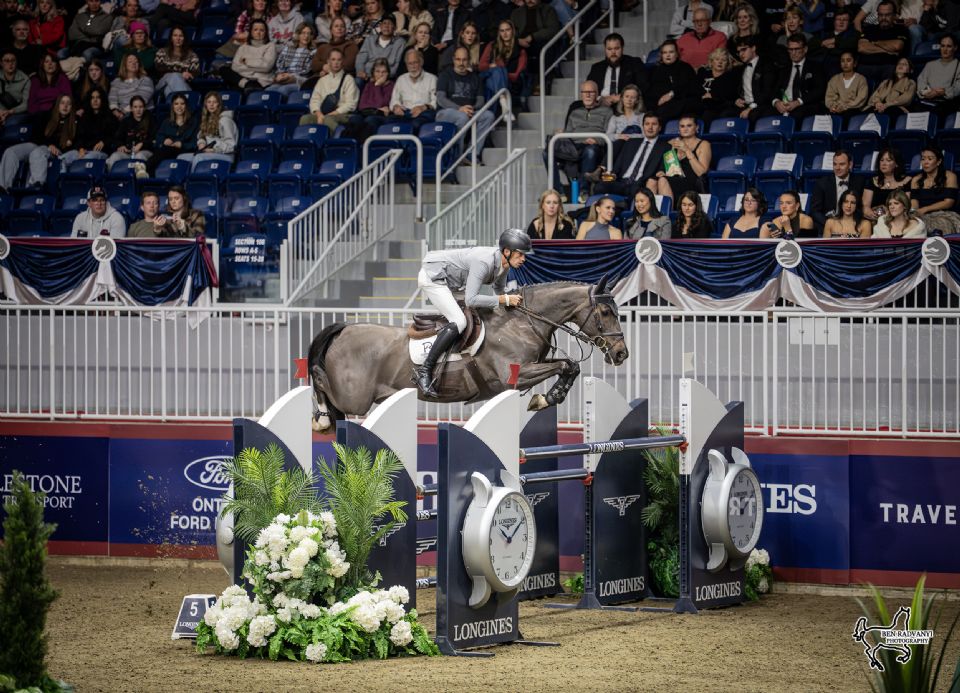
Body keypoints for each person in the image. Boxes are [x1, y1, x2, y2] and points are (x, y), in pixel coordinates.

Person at [414, 228, 531, 397]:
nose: (523, 259)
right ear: (507, 251)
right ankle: (425, 370)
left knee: (477, 314)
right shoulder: (484, 262)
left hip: (452, 283)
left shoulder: (504, 265)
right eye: (520, 254)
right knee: (459, 321)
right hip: (434, 277)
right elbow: (472, 299)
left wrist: (514, 304)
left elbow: (499, 290)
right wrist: (505, 299)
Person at [547, 80, 612, 199]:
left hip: (593, 145)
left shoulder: (607, 111)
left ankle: (583, 191)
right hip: (573, 146)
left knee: (590, 151)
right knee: (547, 152)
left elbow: (610, 133)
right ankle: (558, 191)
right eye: (584, 92)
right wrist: (562, 133)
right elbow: (569, 133)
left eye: (591, 92)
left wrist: (597, 140)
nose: (587, 95)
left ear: (597, 94)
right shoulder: (575, 112)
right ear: (581, 94)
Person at [0, 93, 75, 192]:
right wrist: (48, 144)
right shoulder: (45, 116)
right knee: (11, 151)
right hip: (39, 144)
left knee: (38, 152)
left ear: (71, 107)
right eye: (62, 103)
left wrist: (54, 146)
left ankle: (37, 185)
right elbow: (37, 136)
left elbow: (71, 145)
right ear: (57, 104)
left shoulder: (74, 122)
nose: (65, 106)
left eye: (68, 104)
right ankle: (3, 188)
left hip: (55, 151)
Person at [591, 112, 670, 199]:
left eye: (654, 124)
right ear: (643, 126)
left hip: (641, 185)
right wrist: (612, 175)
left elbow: (663, 169)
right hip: (622, 182)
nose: (650, 127)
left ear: (660, 127)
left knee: (634, 193)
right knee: (599, 187)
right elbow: (619, 164)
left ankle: (622, 204)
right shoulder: (631, 143)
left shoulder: (665, 147)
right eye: (647, 124)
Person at [436, 47, 494, 160]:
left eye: (464, 60)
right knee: (462, 117)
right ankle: (457, 156)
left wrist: (472, 108)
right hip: (446, 112)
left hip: (469, 110)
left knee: (488, 116)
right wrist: (459, 108)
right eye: (458, 59)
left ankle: (472, 153)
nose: (461, 63)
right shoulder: (445, 75)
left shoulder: (475, 78)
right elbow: (441, 99)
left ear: (469, 60)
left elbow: (481, 100)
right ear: (453, 59)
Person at [768, 34, 826, 124]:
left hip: (804, 105)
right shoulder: (783, 69)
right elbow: (773, 90)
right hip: (784, 105)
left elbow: (819, 90)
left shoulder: (815, 67)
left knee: (796, 115)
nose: (793, 53)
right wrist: (776, 102)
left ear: (805, 49)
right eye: (790, 49)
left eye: (797, 49)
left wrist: (798, 102)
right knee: (765, 115)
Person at [653, 114, 711, 200]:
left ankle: (666, 209)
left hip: (693, 183)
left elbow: (701, 172)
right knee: (652, 180)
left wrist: (687, 150)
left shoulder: (704, 144)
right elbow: (665, 166)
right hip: (673, 180)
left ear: (696, 127)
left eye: (689, 125)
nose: (685, 129)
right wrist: (662, 171)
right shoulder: (672, 143)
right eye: (682, 126)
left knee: (663, 180)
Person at [301, 47, 359, 130]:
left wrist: (333, 113)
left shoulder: (349, 79)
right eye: (333, 59)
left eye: (339, 60)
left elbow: (351, 104)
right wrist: (319, 114)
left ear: (343, 61)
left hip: (342, 114)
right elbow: (314, 100)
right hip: (322, 113)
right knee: (305, 118)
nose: (336, 63)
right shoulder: (322, 80)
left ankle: (337, 137)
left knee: (328, 119)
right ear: (328, 61)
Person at [586, 33, 647, 109]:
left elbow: (643, 87)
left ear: (622, 48)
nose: (613, 52)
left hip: (625, 105)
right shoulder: (596, 68)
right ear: (605, 49)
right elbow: (588, 89)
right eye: (609, 49)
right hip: (600, 105)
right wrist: (600, 98)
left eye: (616, 48)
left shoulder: (634, 63)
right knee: (575, 105)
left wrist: (622, 97)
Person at [810, 150, 864, 231]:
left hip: (853, 225)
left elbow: (861, 208)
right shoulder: (822, 183)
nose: (837, 168)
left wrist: (851, 224)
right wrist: (831, 224)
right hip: (828, 225)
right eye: (835, 164)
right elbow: (815, 211)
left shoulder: (859, 182)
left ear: (850, 165)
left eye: (842, 164)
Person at [478, 20, 527, 111]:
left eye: (507, 30)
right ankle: (504, 101)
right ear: (499, 33)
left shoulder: (521, 51)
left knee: (494, 77)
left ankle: (497, 107)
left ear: (512, 31)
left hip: (507, 82)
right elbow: (481, 66)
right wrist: (490, 66)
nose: (505, 33)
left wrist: (501, 73)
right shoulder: (492, 45)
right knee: (496, 71)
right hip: (489, 74)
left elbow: (516, 76)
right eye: (502, 31)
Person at [218, 19, 277, 93]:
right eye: (255, 30)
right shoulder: (243, 47)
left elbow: (266, 67)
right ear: (251, 32)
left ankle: (248, 85)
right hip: (244, 79)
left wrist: (247, 61)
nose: (258, 32)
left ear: (266, 32)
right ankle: (247, 84)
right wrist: (258, 65)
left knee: (236, 87)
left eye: (262, 30)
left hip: (260, 80)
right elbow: (235, 67)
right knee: (224, 69)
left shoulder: (271, 46)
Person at [911, 145, 960, 233]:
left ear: (939, 161)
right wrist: (915, 212)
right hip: (922, 215)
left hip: (944, 215)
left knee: (941, 225)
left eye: (930, 159)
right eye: (923, 159)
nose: (925, 162)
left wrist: (926, 209)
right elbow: (914, 204)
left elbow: (948, 202)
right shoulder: (916, 179)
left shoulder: (950, 176)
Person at [180, 91, 237, 168]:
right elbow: (202, 136)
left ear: (219, 104)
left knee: (199, 158)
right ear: (206, 105)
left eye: (214, 102)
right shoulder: (207, 120)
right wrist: (201, 143)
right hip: (209, 152)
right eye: (209, 102)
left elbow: (231, 146)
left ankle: (194, 176)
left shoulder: (225, 120)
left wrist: (214, 150)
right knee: (182, 158)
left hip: (226, 154)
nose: (211, 104)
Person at [857, 0, 908, 84]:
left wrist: (873, 43)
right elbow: (861, 47)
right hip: (866, 66)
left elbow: (897, 46)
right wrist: (887, 50)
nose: (883, 18)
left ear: (894, 15)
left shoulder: (901, 29)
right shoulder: (869, 29)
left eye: (887, 15)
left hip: (888, 66)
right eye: (880, 15)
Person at [648, 39, 698, 122]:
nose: (668, 55)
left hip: (682, 103)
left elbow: (689, 88)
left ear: (677, 54)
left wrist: (671, 94)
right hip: (662, 104)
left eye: (671, 52)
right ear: (661, 55)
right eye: (665, 52)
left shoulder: (686, 68)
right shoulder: (655, 70)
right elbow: (653, 91)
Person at [344, 57, 392, 140]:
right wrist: (376, 108)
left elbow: (381, 103)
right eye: (377, 71)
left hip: (380, 117)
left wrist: (377, 86)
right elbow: (362, 106)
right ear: (373, 73)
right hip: (366, 114)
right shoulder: (369, 85)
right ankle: (348, 145)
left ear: (388, 73)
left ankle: (364, 146)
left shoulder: (391, 86)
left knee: (370, 120)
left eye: (384, 72)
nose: (380, 75)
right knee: (354, 119)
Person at [388, 47, 436, 129]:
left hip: (423, 113)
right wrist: (396, 107)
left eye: (415, 62)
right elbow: (394, 99)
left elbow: (435, 101)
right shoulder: (401, 79)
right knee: (389, 122)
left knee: (416, 124)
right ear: (406, 65)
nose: (413, 66)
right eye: (410, 63)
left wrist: (423, 107)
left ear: (421, 62)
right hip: (405, 112)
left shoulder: (432, 79)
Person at [148, 91, 197, 172]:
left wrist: (182, 144)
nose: (179, 106)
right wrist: (164, 140)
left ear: (186, 106)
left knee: (165, 151)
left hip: (183, 150)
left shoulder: (193, 122)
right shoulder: (166, 122)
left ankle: (146, 167)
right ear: (172, 106)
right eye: (176, 104)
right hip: (167, 150)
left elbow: (195, 143)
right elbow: (158, 137)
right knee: (162, 150)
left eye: (182, 104)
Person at [734, 36, 777, 123]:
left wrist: (751, 108)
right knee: (725, 115)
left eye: (744, 50)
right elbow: (736, 90)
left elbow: (767, 93)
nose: (741, 54)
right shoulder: (739, 69)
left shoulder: (766, 65)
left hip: (760, 105)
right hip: (744, 105)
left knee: (753, 116)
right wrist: (736, 100)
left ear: (753, 48)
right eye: (738, 52)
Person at [916, 32, 960, 117]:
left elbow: (958, 88)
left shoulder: (958, 66)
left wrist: (943, 92)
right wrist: (928, 92)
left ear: (955, 48)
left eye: (949, 46)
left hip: (947, 104)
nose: (945, 49)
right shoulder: (930, 65)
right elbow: (921, 81)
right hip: (928, 101)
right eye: (942, 46)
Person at [106, 94, 154, 171]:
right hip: (128, 152)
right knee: (114, 157)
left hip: (145, 151)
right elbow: (117, 138)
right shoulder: (126, 121)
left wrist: (142, 144)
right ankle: (113, 178)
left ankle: (139, 178)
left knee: (139, 157)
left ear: (144, 108)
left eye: (141, 107)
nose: (138, 110)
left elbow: (154, 139)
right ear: (131, 108)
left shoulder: (151, 120)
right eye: (135, 107)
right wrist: (121, 145)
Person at [268, 22, 317, 96]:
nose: (306, 36)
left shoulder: (313, 52)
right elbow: (279, 64)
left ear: (312, 36)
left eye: (309, 34)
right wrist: (281, 75)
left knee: (283, 90)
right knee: (269, 90)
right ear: (298, 34)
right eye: (303, 33)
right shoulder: (288, 48)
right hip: (284, 78)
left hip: (299, 80)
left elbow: (306, 70)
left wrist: (291, 76)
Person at [154, 27, 200, 99]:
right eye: (175, 35)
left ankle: (179, 103)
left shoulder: (192, 55)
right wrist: (181, 73)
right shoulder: (162, 52)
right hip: (163, 84)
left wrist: (189, 75)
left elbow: (195, 72)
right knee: (174, 75)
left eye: (181, 36)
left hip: (182, 84)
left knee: (168, 90)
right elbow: (159, 69)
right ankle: (185, 100)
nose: (178, 38)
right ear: (171, 38)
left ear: (184, 38)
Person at [355, 14, 405, 79]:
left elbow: (397, 66)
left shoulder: (400, 42)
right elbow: (360, 59)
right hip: (367, 76)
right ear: (380, 26)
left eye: (390, 24)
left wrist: (382, 77)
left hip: (387, 78)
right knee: (358, 81)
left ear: (394, 28)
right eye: (384, 23)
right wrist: (361, 71)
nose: (386, 26)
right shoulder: (370, 40)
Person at [698, 47, 740, 123]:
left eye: (724, 60)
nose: (720, 62)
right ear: (711, 61)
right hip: (701, 104)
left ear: (728, 63)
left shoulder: (730, 77)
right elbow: (695, 89)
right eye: (717, 59)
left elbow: (729, 96)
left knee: (708, 115)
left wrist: (713, 96)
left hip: (720, 108)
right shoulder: (703, 72)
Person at [27, 52, 71, 123]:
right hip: (38, 115)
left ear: (56, 64)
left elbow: (67, 98)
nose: (50, 64)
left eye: (53, 61)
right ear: (42, 65)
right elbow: (31, 102)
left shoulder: (63, 78)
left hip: (57, 113)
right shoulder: (35, 80)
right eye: (46, 61)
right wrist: (36, 114)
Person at [74, 87, 113, 163]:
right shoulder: (84, 117)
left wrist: (104, 142)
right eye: (92, 98)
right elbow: (79, 137)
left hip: (102, 152)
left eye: (98, 97)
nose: (95, 100)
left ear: (102, 100)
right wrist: (81, 148)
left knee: (86, 158)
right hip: (84, 151)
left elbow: (113, 136)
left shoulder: (110, 117)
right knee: (62, 159)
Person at [109, 53, 155, 118]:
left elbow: (142, 100)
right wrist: (115, 112)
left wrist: (123, 112)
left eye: (136, 61)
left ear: (139, 65)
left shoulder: (146, 80)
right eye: (130, 61)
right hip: (120, 114)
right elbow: (112, 99)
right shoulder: (116, 81)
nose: (134, 63)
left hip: (141, 114)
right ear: (124, 65)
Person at [0, 51, 29, 125]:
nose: (10, 63)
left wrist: (10, 112)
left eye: (13, 60)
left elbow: (26, 104)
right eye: (6, 61)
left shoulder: (25, 79)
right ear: (1, 63)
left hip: (16, 113)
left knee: (11, 123)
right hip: (0, 112)